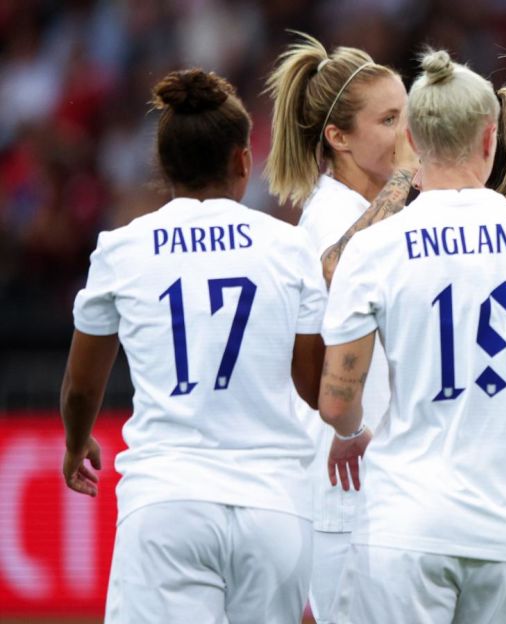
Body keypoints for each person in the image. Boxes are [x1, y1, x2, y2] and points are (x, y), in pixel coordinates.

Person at [317, 49, 506, 623]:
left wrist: (353, 431)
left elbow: (336, 402)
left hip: (406, 525)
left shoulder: (373, 249)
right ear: (490, 136)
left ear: (411, 137)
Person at [60, 68, 327, 623]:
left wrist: (76, 441)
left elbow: (83, 385)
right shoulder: (288, 246)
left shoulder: (122, 248)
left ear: (164, 168)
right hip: (274, 506)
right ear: (242, 161)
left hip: (168, 500)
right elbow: (312, 385)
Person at [263, 32, 417, 624]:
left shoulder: (392, 209)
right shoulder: (329, 214)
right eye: (388, 119)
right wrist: (405, 181)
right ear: (338, 137)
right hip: (347, 479)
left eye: (407, 113)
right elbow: (338, 268)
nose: (407, 133)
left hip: (388, 475)